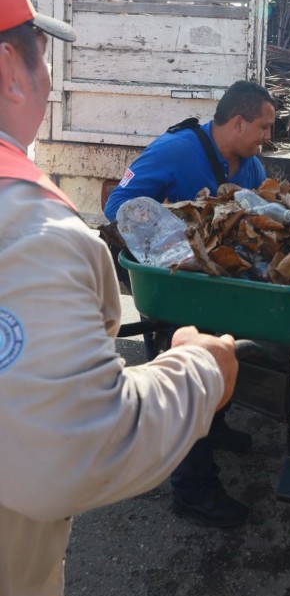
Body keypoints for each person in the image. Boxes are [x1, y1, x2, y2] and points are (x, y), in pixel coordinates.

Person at [0, 0, 239, 596]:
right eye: (42, 58)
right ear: (7, 70)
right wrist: (198, 368)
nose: (48, 81)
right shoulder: (31, 231)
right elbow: (68, 449)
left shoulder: (241, 162)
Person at [104, 79, 276, 528]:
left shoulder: (250, 165)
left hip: (216, 289)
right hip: (173, 287)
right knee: (184, 383)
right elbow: (119, 205)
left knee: (221, 358)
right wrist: (178, 233)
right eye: (263, 126)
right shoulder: (176, 150)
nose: (267, 136)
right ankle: (193, 491)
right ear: (237, 122)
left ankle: (214, 427)